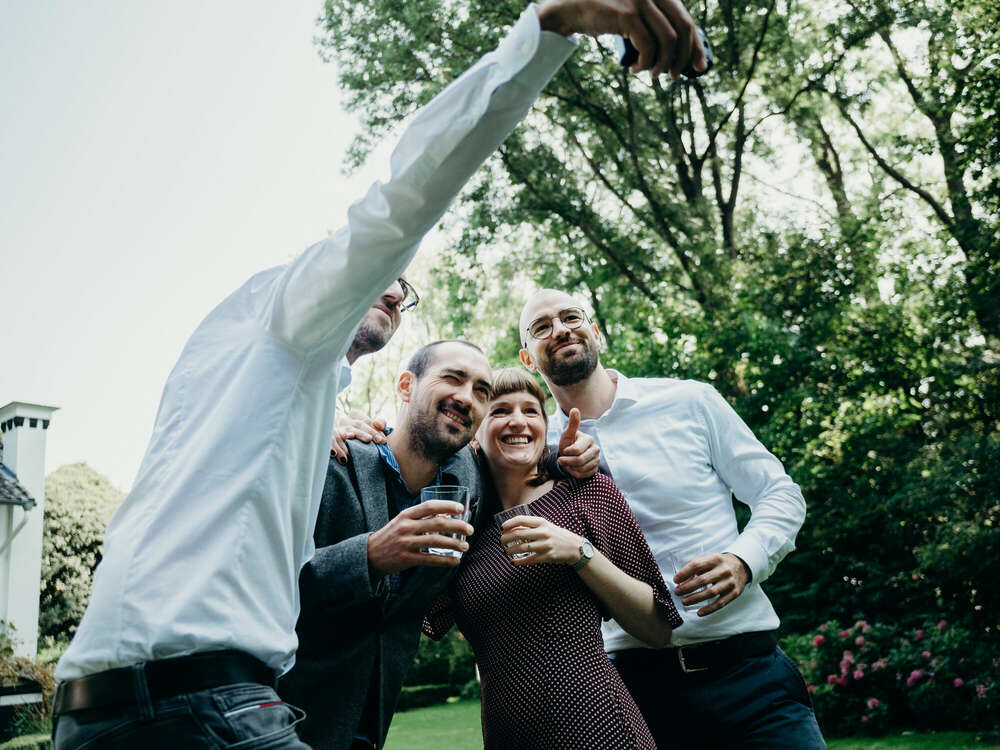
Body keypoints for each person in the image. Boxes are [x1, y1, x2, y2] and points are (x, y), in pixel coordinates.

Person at [50, 3, 707, 747]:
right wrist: (550, 27)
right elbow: (400, 205)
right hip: (199, 705)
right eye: (379, 277)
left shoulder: (304, 411)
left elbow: (514, 466)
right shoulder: (286, 328)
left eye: (405, 289)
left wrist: (564, 452)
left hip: (155, 711)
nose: (395, 289)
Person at [517, 289, 827, 749]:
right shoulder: (532, 450)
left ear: (595, 331)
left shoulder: (690, 402)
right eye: (542, 327)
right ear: (528, 358)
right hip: (638, 695)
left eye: (571, 317)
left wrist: (744, 560)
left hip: (751, 679)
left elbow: (778, 492)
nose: (560, 329)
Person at [283, 342, 599, 750]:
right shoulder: (329, 458)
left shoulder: (471, 482)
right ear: (405, 386)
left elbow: (517, 455)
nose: (467, 398)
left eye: (482, 391)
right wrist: (369, 557)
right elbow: (258, 582)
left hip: (369, 725)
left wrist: (570, 458)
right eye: (452, 378)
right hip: (277, 712)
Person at [423, 368, 682, 750]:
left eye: (531, 411)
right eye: (500, 411)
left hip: (600, 727)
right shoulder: (461, 525)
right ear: (475, 430)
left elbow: (658, 628)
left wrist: (579, 552)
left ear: (546, 428)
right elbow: (421, 615)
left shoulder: (586, 493)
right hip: (507, 735)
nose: (518, 421)